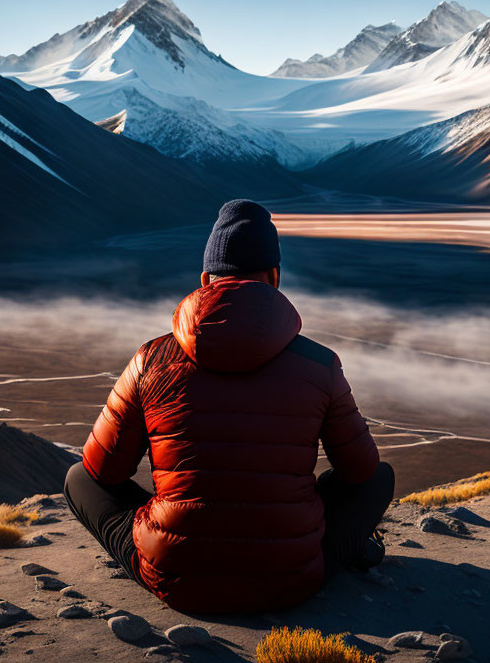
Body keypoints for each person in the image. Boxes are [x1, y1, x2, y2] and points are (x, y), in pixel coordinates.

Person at [63, 199, 394, 613]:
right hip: (289, 580)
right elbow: (361, 472)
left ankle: (168, 547)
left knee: (79, 477)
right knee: (378, 476)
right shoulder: (319, 363)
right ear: (275, 278)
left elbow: (103, 470)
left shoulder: (151, 359)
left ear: (205, 279)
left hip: (177, 579)